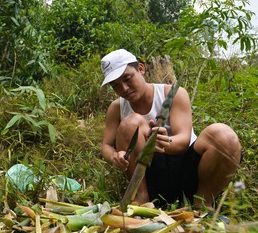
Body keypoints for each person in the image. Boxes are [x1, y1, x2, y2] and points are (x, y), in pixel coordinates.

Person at [100, 49, 241, 209]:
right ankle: (141, 197)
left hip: (187, 170)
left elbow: (183, 140)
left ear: (141, 69)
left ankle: (202, 204)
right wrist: (114, 157)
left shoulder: (173, 94)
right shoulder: (117, 107)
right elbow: (106, 145)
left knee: (224, 135)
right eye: (116, 85)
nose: (124, 88)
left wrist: (164, 142)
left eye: (127, 78)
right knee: (131, 123)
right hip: (152, 175)